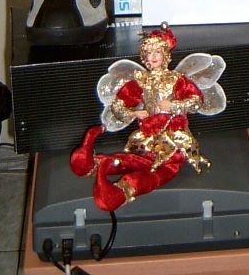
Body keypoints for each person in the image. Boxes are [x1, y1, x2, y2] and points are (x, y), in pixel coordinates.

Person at [70, 25, 223, 210]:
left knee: (161, 170)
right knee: (135, 161)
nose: (153, 56)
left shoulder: (177, 79)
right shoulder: (141, 81)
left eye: (157, 52)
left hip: (173, 140)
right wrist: (134, 113)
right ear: (144, 57)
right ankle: (94, 165)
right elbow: (118, 106)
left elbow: (197, 101)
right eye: (149, 53)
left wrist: (173, 106)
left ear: (165, 55)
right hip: (147, 139)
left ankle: (123, 189)